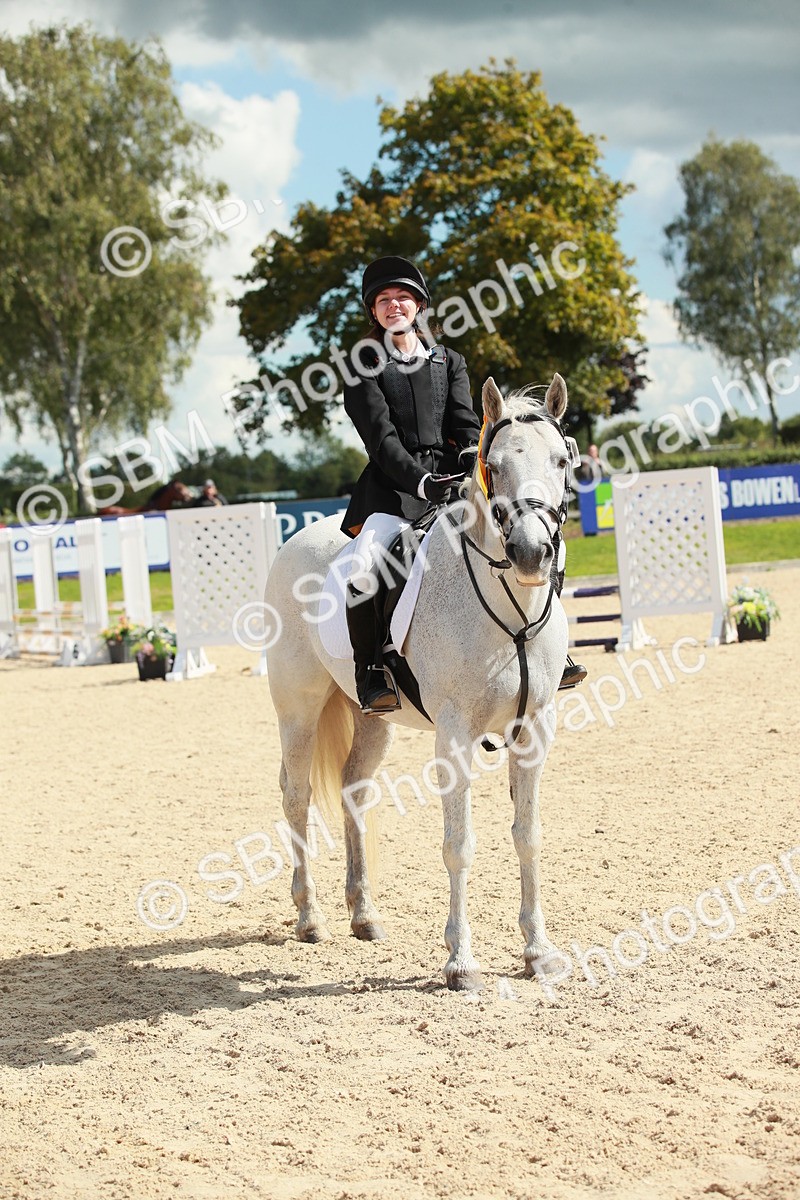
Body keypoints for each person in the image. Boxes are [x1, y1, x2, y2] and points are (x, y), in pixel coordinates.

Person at [341, 255, 481, 713]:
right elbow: (381, 441)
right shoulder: (361, 365)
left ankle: (547, 650)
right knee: (364, 568)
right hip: (390, 491)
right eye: (383, 300)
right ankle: (370, 671)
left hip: (454, 483)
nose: (393, 305)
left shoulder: (450, 360)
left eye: (402, 297)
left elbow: (465, 422)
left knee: (520, 535)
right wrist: (423, 484)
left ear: (419, 305)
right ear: (374, 312)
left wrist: (467, 462)